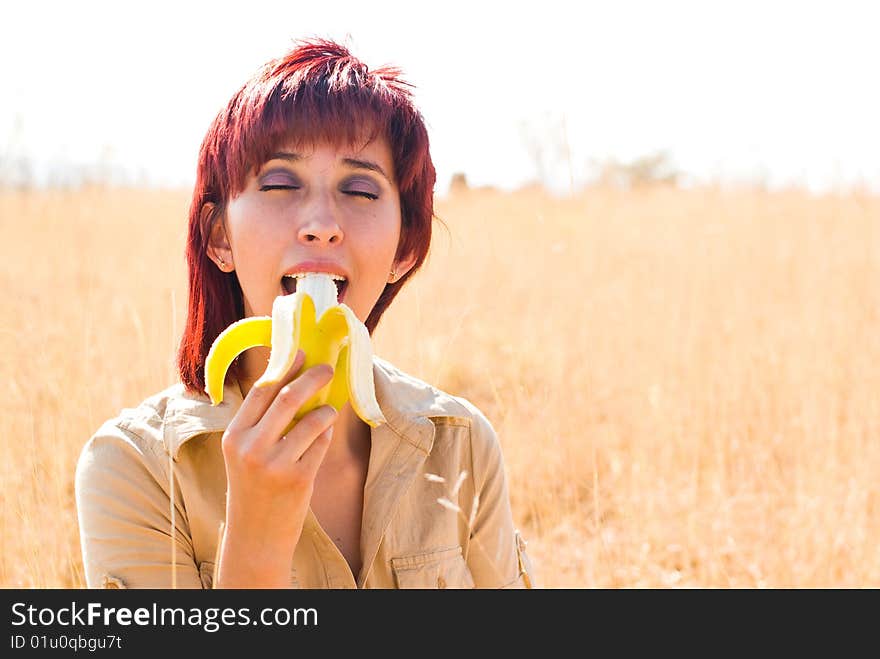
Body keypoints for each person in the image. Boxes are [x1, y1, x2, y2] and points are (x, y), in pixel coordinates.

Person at [75, 38, 535, 589]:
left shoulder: (462, 444)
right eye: (278, 183)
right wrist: (256, 534)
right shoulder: (133, 468)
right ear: (219, 237)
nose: (321, 222)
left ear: (405, 248)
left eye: (360, 190)